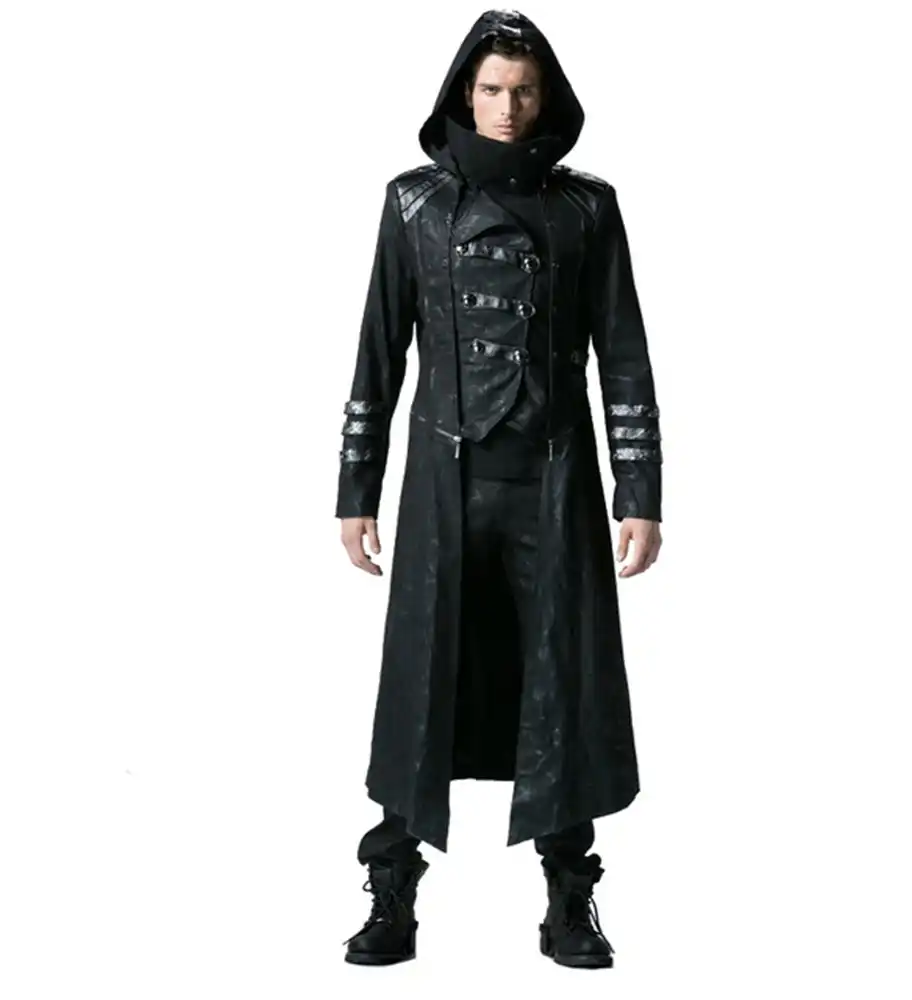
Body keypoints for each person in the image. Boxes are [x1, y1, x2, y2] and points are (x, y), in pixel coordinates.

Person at [335, 9, 662, 969]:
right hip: (444, 479)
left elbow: (624, 355)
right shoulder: (413, 204)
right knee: (422, 679)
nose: (507, 108)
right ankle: (392, 891)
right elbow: (379, 348)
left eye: (522, 91)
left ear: (545, 97)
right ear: (463, 96)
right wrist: (356, 487)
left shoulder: (587, 209)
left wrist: (639, 491)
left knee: (562, 677)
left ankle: (568, 899)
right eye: (491, 90)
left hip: (553, 481)